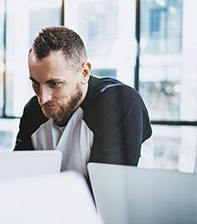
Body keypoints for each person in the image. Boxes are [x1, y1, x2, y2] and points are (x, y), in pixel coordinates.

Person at [15, 26, 152, 177]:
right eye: (35, 83)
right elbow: (19, 178)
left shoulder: (119, 101)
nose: (43, 98)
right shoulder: (34, 109)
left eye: (54, 84)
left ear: (84, 73)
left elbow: (106, 192)